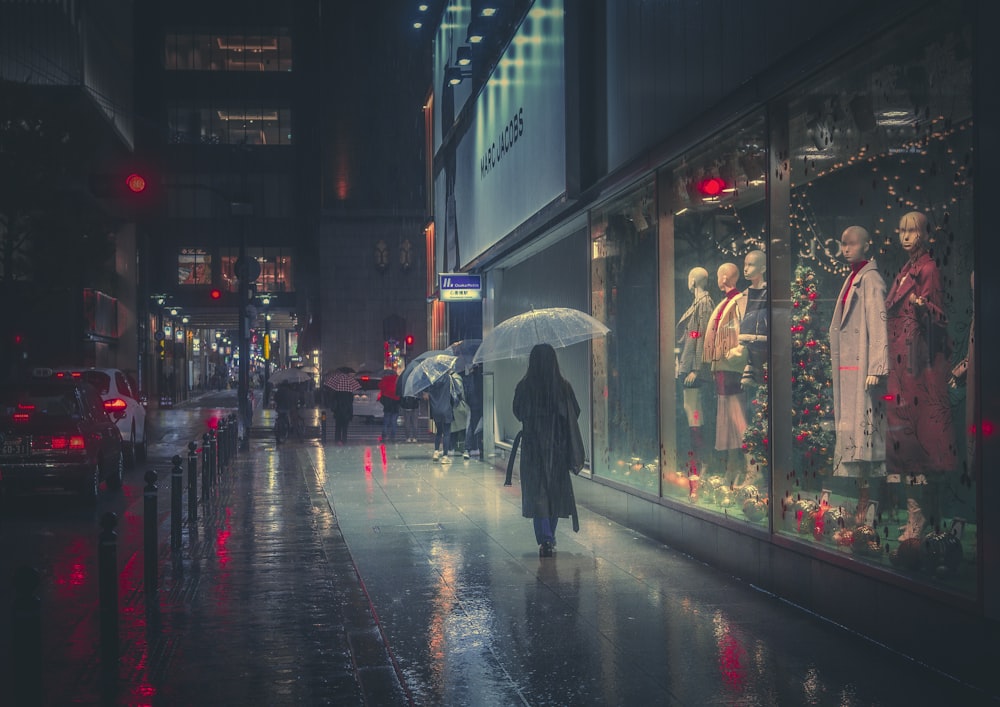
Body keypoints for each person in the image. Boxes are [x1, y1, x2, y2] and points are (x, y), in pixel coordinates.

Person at [885, 211, 957, 537]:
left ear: (924, 235)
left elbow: (939, 316)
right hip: (901, 366)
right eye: (902, 231)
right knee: (903, 441)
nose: (905, 236)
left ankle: (921, 519)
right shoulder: (904, 271)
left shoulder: (927, 269)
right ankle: (916, 515)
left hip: (917, 368)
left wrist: (920, 304)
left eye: (912, 231)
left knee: (916, 444)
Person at [828, 226, 889, 522]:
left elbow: (879, 324)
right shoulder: (852, 278)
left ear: (867, 245)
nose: (846, 248)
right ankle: (863, 500)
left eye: (852, 244)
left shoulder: (871, 280)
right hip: (850, 369)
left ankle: (870, 500)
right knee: (855, 439)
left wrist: (876, 367)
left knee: (865, 440)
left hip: (863, 370)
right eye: (843, 244)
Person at [512, 344, 584, 558]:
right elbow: (575, 413)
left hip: (533, 449)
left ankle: (545, 538)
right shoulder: (563, 387)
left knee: (538, 493)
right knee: (553, 492)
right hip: (557, 448)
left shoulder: (524, 387)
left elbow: (517, 412)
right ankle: (549, 537)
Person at [703, 262, 749, 488]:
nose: (721, 278)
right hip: (722, 367)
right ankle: (733, 466)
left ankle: (750, 466)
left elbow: (742, 331)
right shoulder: (724, 303)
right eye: (720, 274)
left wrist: (734, 355)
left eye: (724, 274)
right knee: (727, 418)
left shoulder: (739, 301)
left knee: (737, 417)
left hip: (732, 367)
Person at [675, 266, 714, 497]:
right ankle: (695, 464)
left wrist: (697, 369)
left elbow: (702, 336)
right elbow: (694, 335)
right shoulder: (697, 303)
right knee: (690, 415)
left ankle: (700, 465)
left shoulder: (704, 304)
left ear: (693, 281)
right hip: (688, 367)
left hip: (694, 371)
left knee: (695, 416)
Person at [426, 374, 457, 463]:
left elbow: (427, 393)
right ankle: (445, 457)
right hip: (446, 408)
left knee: (439, 431)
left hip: (435, 409)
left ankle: (436, 452)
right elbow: (457, 392)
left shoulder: (432, 379)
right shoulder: (449, 378)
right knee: (447, 433)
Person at [378, 371, 401, 443]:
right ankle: (393, 436)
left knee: (386, 420)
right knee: (394, 421)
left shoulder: (385, 379)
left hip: (387, 401)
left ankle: (384, 436)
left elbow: (380, 386)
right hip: (395, 402)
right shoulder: (398, 380)